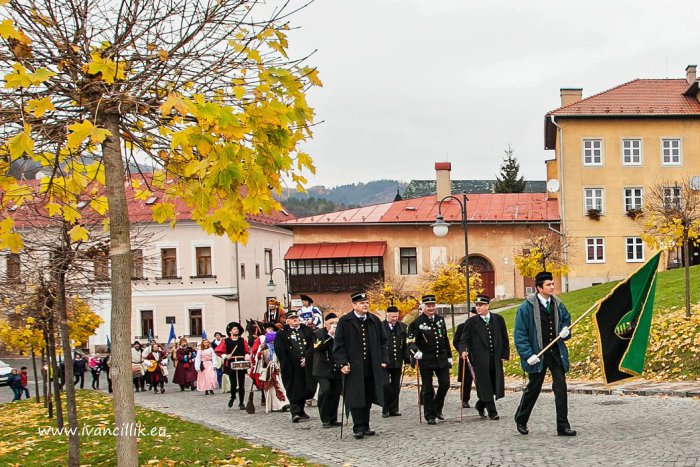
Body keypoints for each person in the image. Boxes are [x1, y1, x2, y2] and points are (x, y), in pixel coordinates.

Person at [514, 271, 576, 437]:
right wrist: (528, 355)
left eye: (552, 284)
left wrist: (565, 330)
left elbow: (566, 320)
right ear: (539, 288)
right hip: (538, 355)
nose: (552, 287)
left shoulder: (557, 303)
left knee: (561, 388)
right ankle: (521, 418)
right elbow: (520, 334)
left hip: (556, 353)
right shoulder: (526, 308)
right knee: (533, 388)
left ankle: (563, 425)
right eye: (548, 285)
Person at [333, 291, 388, 440]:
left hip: (371, 366)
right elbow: (339, 345)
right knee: (357, 396)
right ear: (354, 305)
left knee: (368, 395)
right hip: (354, 367)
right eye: (362, 303)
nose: (365, 305)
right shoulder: (345, 322)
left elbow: (383, 342)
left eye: (366, 303)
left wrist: (383, 358)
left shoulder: (374, 320)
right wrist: (342, 363)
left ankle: (366, 425)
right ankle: (358, 427)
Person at [459, 294, 509, 420]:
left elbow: (504, 338)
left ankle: (480, 404)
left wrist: (504, 354)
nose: (478, 308)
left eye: (481, 305)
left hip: (495, 358)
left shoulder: (498, 319)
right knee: (484, 385)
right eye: (477, 305)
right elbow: (464, 340)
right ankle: (492, 412)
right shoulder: (471, 322)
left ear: (488, 306)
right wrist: (464, 350)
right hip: (479, 360)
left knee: (493, 384)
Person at [407, 294, 453, 425]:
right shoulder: (416, 323)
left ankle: (437, 408)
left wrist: (449, 356)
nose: (431, 308)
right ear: (423, 307)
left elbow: (444, 339)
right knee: (427, 387)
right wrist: (415, 351)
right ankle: (429, 415)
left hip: (441, 357)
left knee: (445, 384)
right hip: (426, 359)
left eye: (433, 305)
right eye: (428, 306)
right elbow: (410, 341)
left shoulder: (440, 320)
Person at [274, 311, 316, 423]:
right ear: (287, 321)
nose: (295, 319)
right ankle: (295, 411)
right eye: (292, 318)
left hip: (306, 364)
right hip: (291, 366)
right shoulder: (282, 334)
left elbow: (312, 345)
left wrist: (308, 358)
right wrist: (290, 363)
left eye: (296, 317)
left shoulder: (306, 330)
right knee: (294, 388)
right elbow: (281, 351)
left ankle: (301, 410)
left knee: (305, 387)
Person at [312, 312, 342, 428]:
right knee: (325, 391)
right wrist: (329, 336)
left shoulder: (341, 334)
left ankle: (333, 418)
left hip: (336, 368)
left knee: (335, 393)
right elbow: (318, 348)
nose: (334, 325)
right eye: (331, 323)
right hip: (322, 369)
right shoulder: (318, 334)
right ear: (325, 324)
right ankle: (325, 419)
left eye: (336, 323)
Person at [215, 321, 250, 409]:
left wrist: (246, 355)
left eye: (237, 329)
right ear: (230, 331)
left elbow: (247, 350)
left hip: (241, 362)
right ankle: (233, 396)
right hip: (231, 363)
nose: (236, 330)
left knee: (242, 384)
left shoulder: (242, 340)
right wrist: (225, 356)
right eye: (234, 329)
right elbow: (218, 351)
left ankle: (241, 402)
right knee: (233, 383)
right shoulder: (225, 341)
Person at [382, 305, 409, 418]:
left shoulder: (402, 327)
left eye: (396, 316)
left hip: (397, 360)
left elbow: (405, 345)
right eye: (392, 316)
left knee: (395, 385)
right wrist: (381, 359)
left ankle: (394, 408)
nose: (394, 318)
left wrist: (407, 359)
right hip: (384, 362)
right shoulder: (380, 326)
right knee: (385, 386)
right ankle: (385, 409)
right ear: (387, 315)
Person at [258, 326, 289, 412]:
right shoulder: (264, 351)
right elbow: (261, 363)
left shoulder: (279, 349)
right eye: (270, 341)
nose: (272, 343)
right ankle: (276, 405)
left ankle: (283, 403)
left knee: (281, 386)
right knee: (272, 389)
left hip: (279, 371)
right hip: (270, 372)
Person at [453, 306, 477, 408]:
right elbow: (456, 341)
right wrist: (462, 351)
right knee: (466, 380)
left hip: (478, 356)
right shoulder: (461, 327)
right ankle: (465, 400)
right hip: (465, 357)